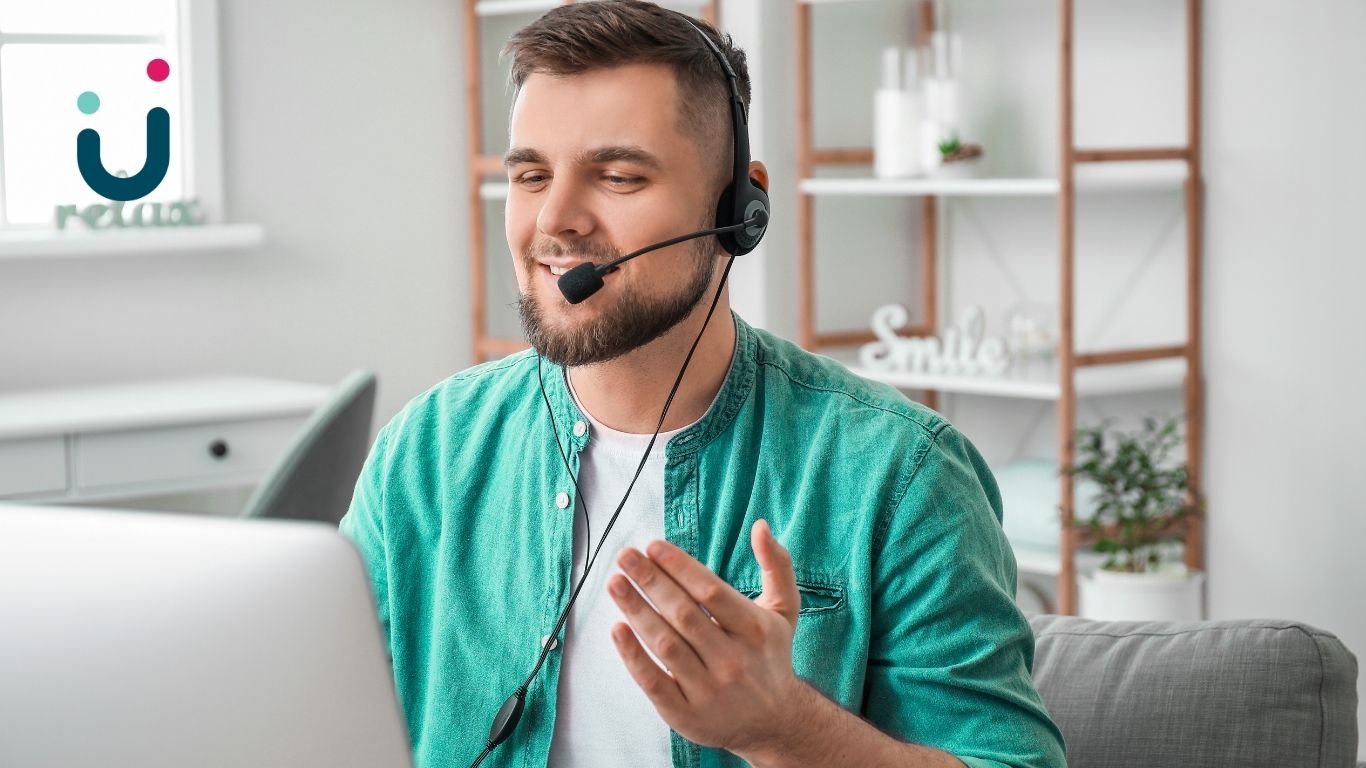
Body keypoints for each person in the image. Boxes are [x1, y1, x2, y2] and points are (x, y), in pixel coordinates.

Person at [339, 2, 1067, 767]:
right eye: (530, 175)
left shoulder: (899, 475)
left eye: (617, 175)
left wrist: (784, 727)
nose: (553, 219)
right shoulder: (428, 453)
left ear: (738, 207)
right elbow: (321, 718)